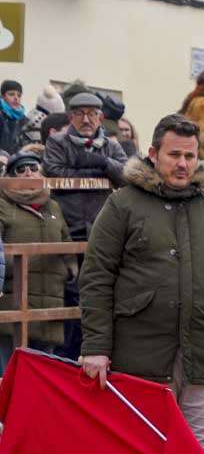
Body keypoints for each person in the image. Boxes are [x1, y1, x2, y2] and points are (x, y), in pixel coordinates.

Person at [77, 115, 204, 454]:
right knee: (139, 451)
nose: (183, 164)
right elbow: (96, 278)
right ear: (154, 153)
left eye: (190, 156)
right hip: (139, 354)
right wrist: (96, 346)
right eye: (174, 155)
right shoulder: (122, 205)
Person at [0, 150, 70, 361]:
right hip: (14, 301)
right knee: (8, 375)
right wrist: (14, 266)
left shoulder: (54, 206)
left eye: (33, 167)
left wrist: (69, 270)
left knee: (41, 378)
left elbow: (66, 241)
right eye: (20, 169)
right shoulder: (3, 204)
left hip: (50, 303)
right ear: (10, 177)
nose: (28, 172)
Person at [44, 90, 127, 240]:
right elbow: (54, 171)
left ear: (100, 118)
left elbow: (126, 175)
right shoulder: (57, 142)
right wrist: (99, 173)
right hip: (66, 220)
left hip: (102, 222)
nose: (86, 120)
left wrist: (104, 162)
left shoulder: (112, 145)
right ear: (71, 117)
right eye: (80, 114)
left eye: (92, 114)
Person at [0, 78, 28, 153]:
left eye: (19, 95)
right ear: (3, 96)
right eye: (11, 94)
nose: (16, 98)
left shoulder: (23, 119)